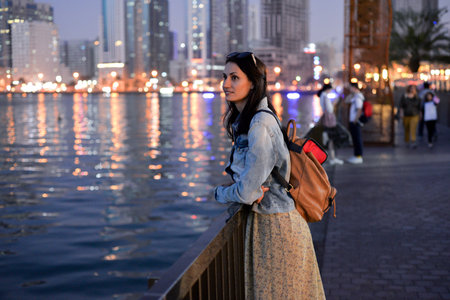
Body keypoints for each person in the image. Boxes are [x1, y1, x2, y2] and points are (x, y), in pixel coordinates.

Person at [214, 52, 325, 299]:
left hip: (277, 230)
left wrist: (219, 193)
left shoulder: (260, 126)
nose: (226, 84)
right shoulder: (250, 121)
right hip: (267, 224)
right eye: (225, 77)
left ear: (253, 83)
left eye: (234, 77)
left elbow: (246, 191)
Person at [318, 83, 343, 165]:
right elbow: (330, 109)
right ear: (328, 89)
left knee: (329, 138)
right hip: (329, 120)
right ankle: (332, 158)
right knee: (332, 138)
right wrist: (334, 103)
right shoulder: (325, 97)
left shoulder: (322, 96)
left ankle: (331, 158)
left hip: (325, 119)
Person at [345, 82, 364, 164]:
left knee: (357, 139)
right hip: (353, 121)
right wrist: (351, 94)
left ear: (354, 87)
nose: (349, 89)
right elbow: (346, 100)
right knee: (355, 138)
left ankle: (358, 156)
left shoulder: (358, 97)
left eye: (350, 87)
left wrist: (355, 120)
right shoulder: (355, 96)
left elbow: (359, 109)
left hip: (355, 121)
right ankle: (356, 155)